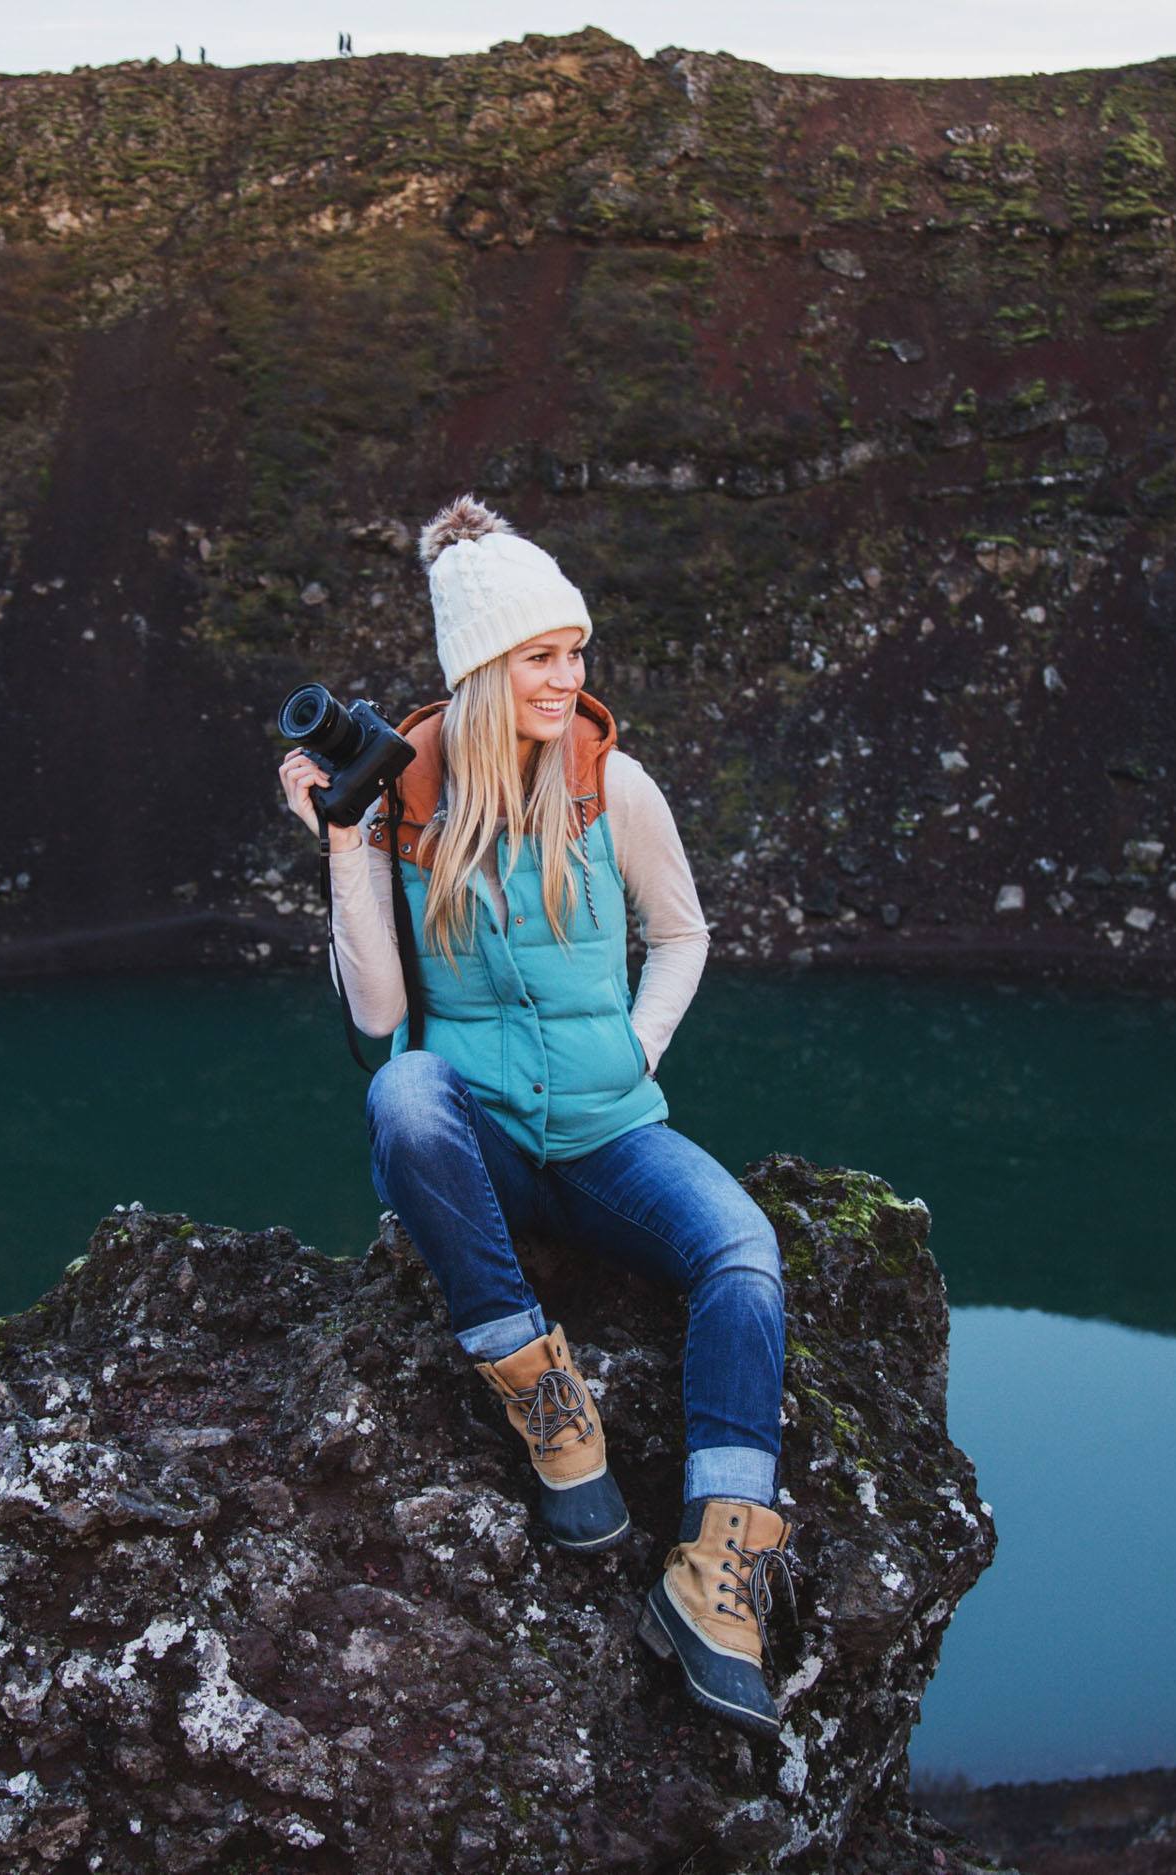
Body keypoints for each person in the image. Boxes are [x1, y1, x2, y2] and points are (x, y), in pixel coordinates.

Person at [277, 492, 794, 1738]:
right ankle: (547, 1405)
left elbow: (683, 934)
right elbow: (377, 1022)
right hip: (492, 1145)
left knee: (744, 1256)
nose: (569, 679)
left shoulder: (614, 789)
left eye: (576, 654)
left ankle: (714, 1571)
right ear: (483, 670)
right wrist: (345, 850)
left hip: (617, 1138)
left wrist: (637, 1042)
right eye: (542, 657)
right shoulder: (411, 804)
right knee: (406, 1093)